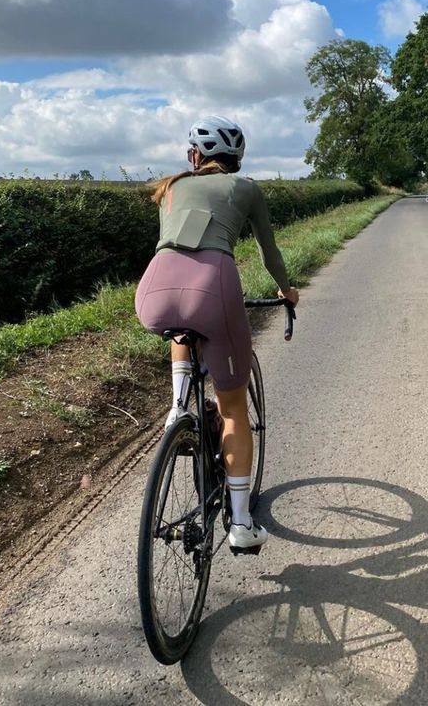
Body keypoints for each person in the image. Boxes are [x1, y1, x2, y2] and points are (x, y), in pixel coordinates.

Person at [135, 115, 299, 553]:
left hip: (153, 290)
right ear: (236, 161)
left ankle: (176, 408)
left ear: (194, 156)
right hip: (215, 289)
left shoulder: (170, 188)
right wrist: (287, 291)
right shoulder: (246, 189)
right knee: (232, 410)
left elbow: (179, 247)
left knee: (181, 327)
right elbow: (269, 253)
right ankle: (242, 525)